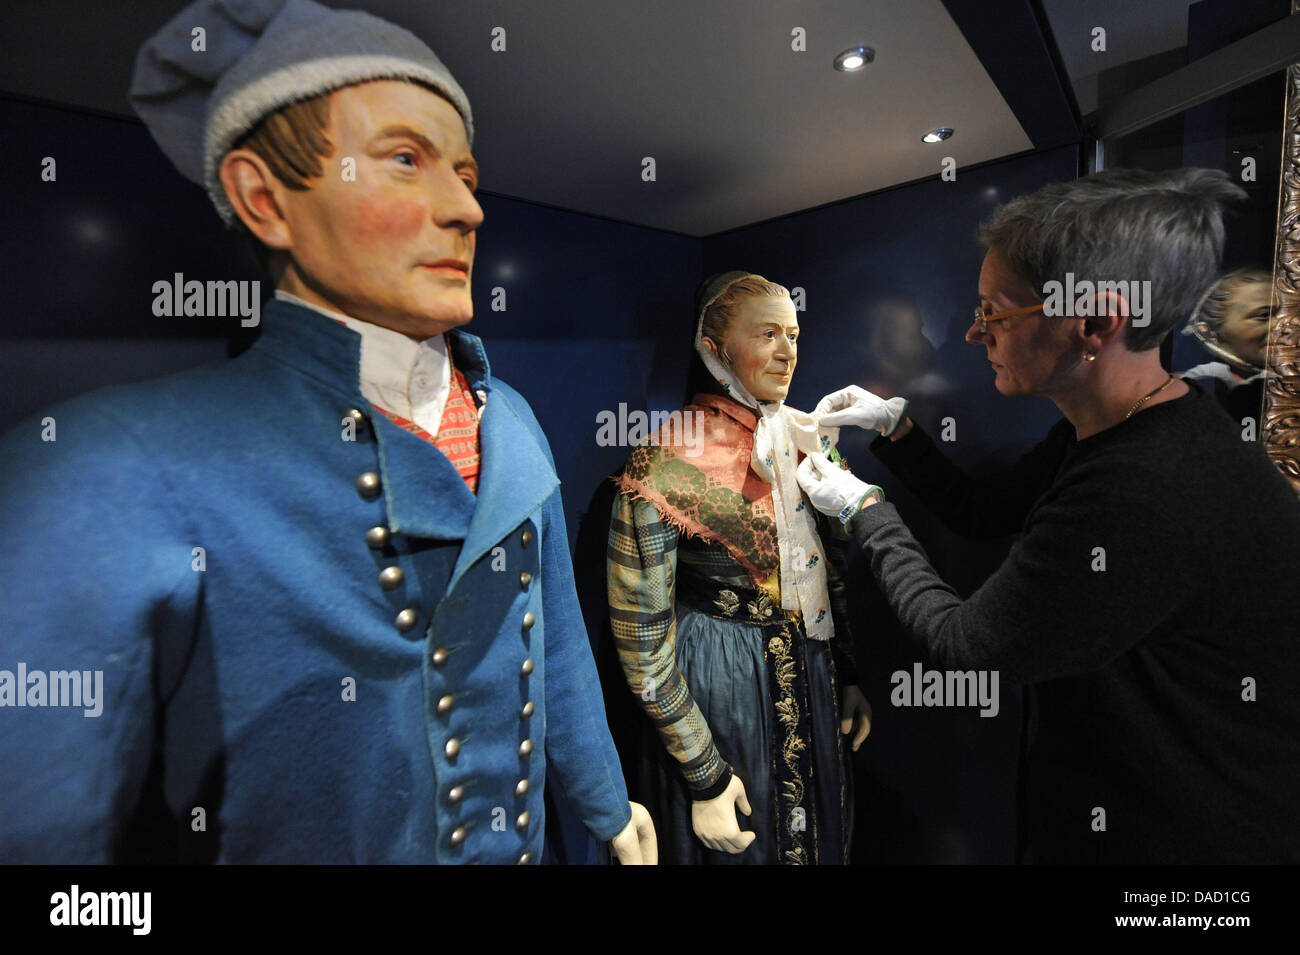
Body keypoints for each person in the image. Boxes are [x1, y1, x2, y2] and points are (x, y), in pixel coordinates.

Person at [0, 0, 654, 865]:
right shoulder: (110, 464)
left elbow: (558, 648)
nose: (467, 209)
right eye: (406, 160)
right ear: (264, 200)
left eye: (465, 172)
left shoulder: (517, 419)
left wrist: (609, 808)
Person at [796, 169, 1300, 864]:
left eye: (995, 313)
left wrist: (864, 510)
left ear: (1094, 322)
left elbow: (967, 644)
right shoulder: (1117, 426)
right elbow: (983, 509)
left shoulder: (1144, 486)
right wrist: (892, 428)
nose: (974, 334)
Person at [607, 272, 872, 864]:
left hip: (811, 674)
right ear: (716, 346)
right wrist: (702, 771)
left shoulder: (807, 442)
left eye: (794, 335)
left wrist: (847, 672)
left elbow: (830, 573)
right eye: (768, 334)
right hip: (720, 688)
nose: (787, 352)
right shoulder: (667, 457)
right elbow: (640, 637)